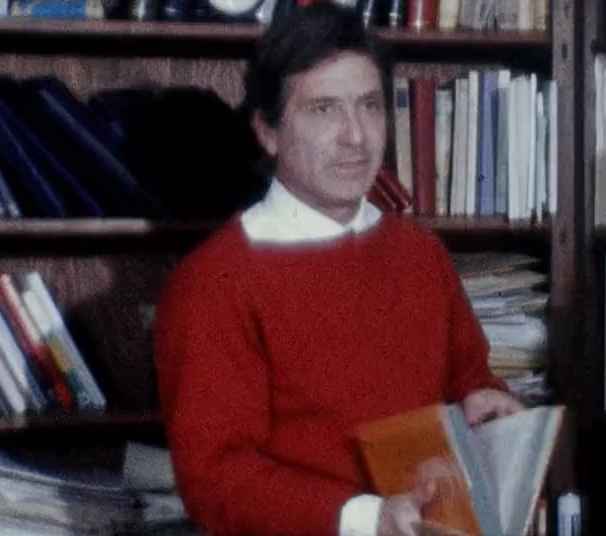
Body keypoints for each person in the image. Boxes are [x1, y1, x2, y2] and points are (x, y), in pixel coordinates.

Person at [151, 4, 522, 535]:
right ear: (268, 131)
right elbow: (216, 478)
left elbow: (470, 382)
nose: (356, 136)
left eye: (369, 106)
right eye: (324, 109)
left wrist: (487, 408)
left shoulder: (420, 253)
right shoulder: (214, 282)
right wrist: (369, 520)